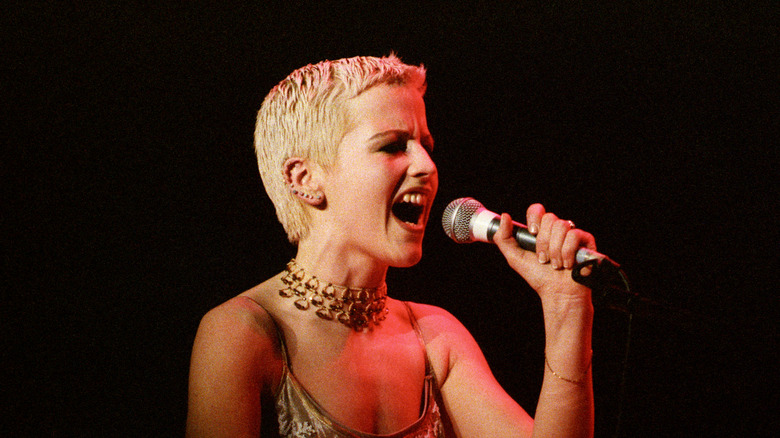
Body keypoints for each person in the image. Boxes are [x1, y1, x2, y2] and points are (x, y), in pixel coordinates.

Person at [187, 54, 596, 437]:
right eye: (392, 146)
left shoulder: (436, 337)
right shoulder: (242, 333)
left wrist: (566, 310)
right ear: (305, 179)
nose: (427, 166)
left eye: (426, 147)